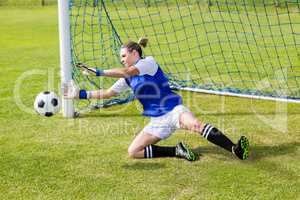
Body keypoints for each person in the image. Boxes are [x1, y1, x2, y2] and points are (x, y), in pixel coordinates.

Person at [64, 37, 249, 161]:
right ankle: (177, 151)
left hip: (173, 110)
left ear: (134, 53)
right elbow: (108, 93)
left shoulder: (148, 63)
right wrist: (79, 94)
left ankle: (235, 149)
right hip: (157, 121)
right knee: (133, 151)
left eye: (123, 55)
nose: (121, 59)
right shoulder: (127, 78)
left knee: (196, 125)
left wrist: (99, 72)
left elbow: (129, 70)